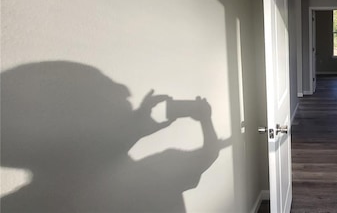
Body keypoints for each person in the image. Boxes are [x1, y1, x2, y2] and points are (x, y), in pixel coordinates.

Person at [1, 61, 223, 213]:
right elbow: (209, 154)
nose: (125, 90)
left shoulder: (20, 206)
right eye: (106, 87)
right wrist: (205, 118)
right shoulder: (157, 173)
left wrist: (130, 132)